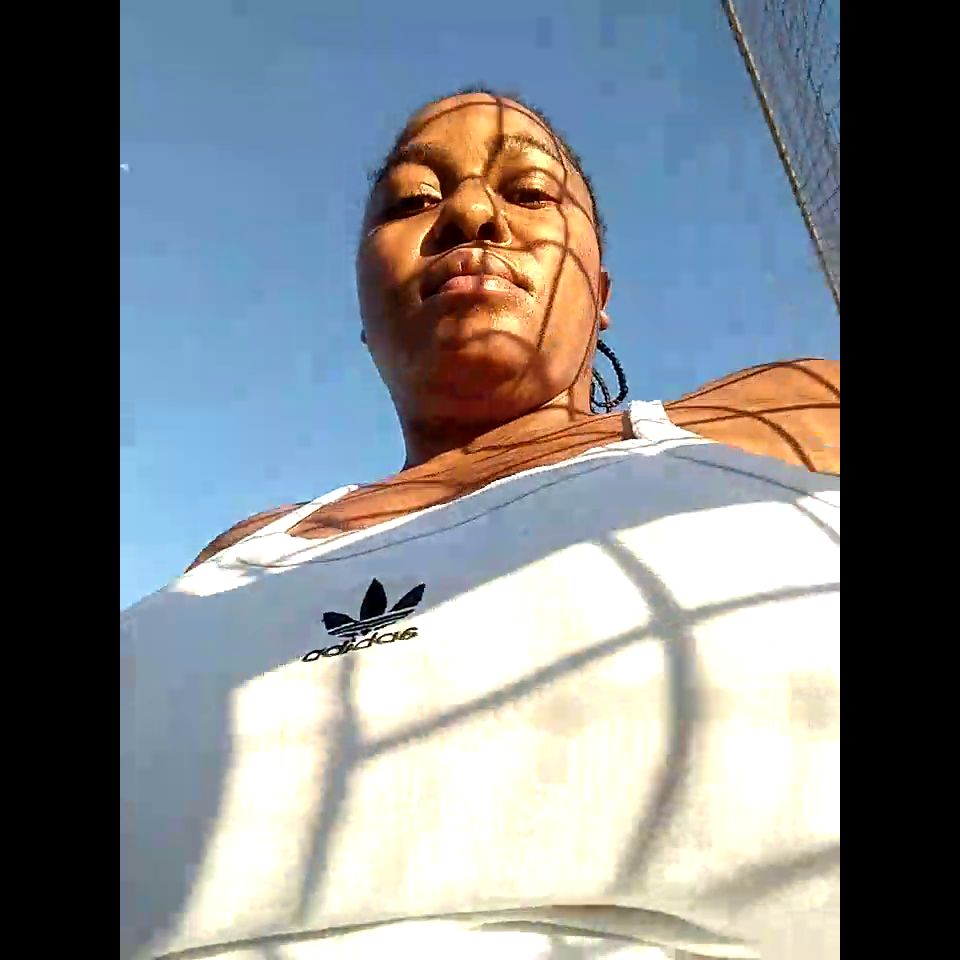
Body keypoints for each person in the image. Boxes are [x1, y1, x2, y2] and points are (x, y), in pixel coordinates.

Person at [121, 88, 839, 960]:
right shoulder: (239, 554)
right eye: (412, 201)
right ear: (364, 310)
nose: (469, 213)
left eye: (529, 191)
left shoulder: (788, 414)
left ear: (600, 294)